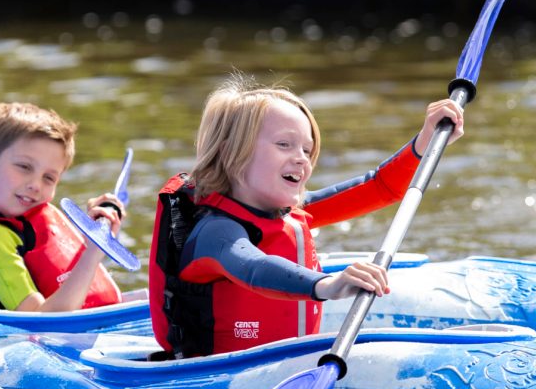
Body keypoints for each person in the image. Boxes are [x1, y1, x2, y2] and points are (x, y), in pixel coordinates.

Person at [149, 72, 464, 357]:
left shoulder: (292, 214)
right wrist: (325, 284)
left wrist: (424, 143)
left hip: (290, 363)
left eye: (307, 150)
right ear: (233, 152)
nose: (301, 159)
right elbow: (255, 267)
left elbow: (380, 187)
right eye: (285, 144)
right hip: (217, 378)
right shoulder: (214, 232)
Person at [0, 101, 126, 312]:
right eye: (24, 167)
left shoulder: (38, 224)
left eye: (49, 178)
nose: (35, 185)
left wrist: (90, 229)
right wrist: (93, 252)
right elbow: (39, 320)